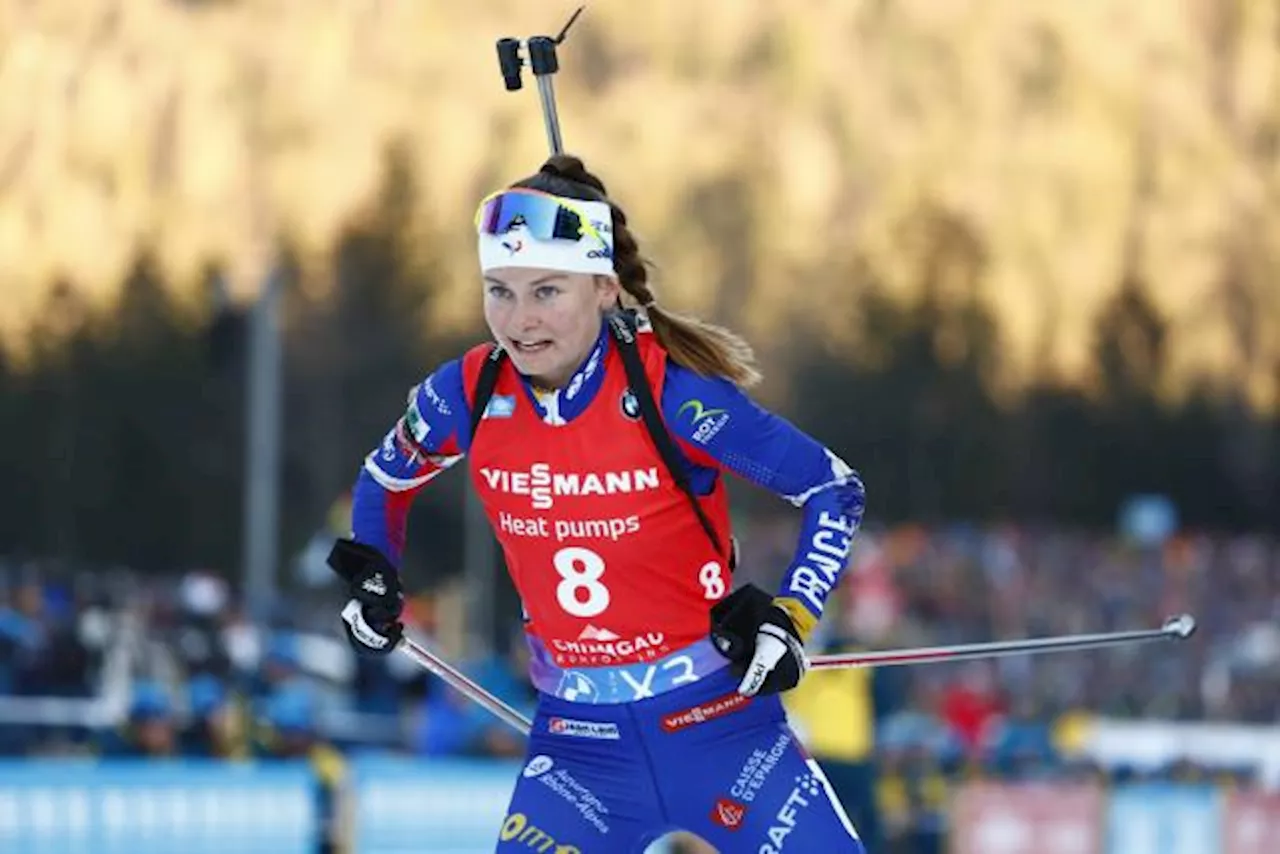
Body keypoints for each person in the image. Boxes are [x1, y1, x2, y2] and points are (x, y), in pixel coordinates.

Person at [330, 153, 868, 853]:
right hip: (580, 754)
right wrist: (378, 579)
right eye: (500, 291)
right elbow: (384, 480)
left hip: (721, 730)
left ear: (605, 289)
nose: (519, 322)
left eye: (547, 291)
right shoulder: (468, 391)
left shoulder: (672, 393)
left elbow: (832, 487)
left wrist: (793, 616)